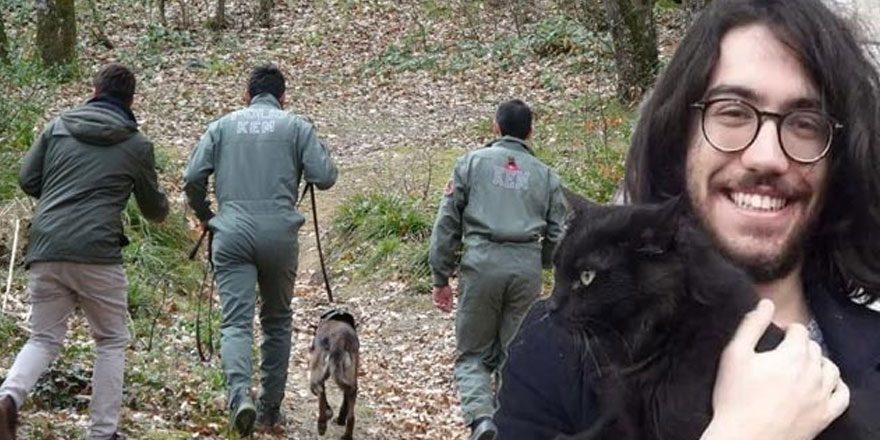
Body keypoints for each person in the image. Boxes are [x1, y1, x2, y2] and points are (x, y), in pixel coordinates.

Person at [496, 0, 880, 438]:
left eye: (805, 122)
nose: (767, 156)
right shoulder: (552, 353)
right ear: (681, 134)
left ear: (840, 161)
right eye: (733, 112)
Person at [0, 64, 169, 440]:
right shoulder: (136, 145)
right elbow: (154, 209)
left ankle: (9, 396)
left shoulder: (58, 126)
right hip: (98, 253)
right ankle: (102, 433)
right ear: (131, 100)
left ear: (94, 90)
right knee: (110, 340)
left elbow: (28, 179)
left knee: (43, 338)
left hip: (45, 247)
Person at [183, 64, 337, 437]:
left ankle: (240, 398)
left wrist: (208, 216)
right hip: (280, 237)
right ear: (283, 98)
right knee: (277, 320)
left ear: (245, 94)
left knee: (236, 321)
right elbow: (326, 176)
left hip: (231, 232)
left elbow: (192, 178)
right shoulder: (296, 127)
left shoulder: (221, 126)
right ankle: (270, 407)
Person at [429, 99, 567, 440]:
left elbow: (447, 223)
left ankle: (481, 419)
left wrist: (440, 276)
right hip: (525, 267)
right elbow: (558, 232)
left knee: (473, 353)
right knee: (514, 354)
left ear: (496, 126)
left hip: (481, 263)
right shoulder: (546, 176)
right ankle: (510, 427)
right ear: (530, 131)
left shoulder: (470, 164)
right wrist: (545, 261)